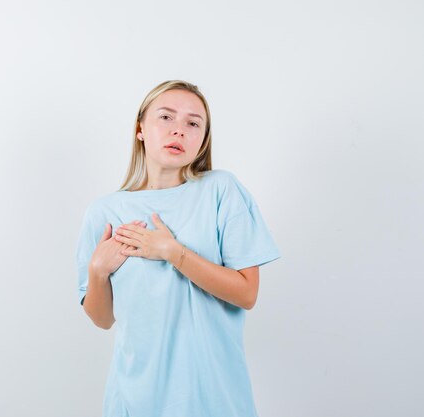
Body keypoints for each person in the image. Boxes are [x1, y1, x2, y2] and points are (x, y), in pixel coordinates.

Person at [75, 80, 281, 417]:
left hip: (214, 399)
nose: (179, 131)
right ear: (140, 129)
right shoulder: (104, 212)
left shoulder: (222, 191)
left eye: (193, 123)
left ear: (203, 140)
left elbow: (247, 294)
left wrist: (174, 253)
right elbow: (102, 319)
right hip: (134, 400)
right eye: (166, 118)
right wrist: (98, 270)